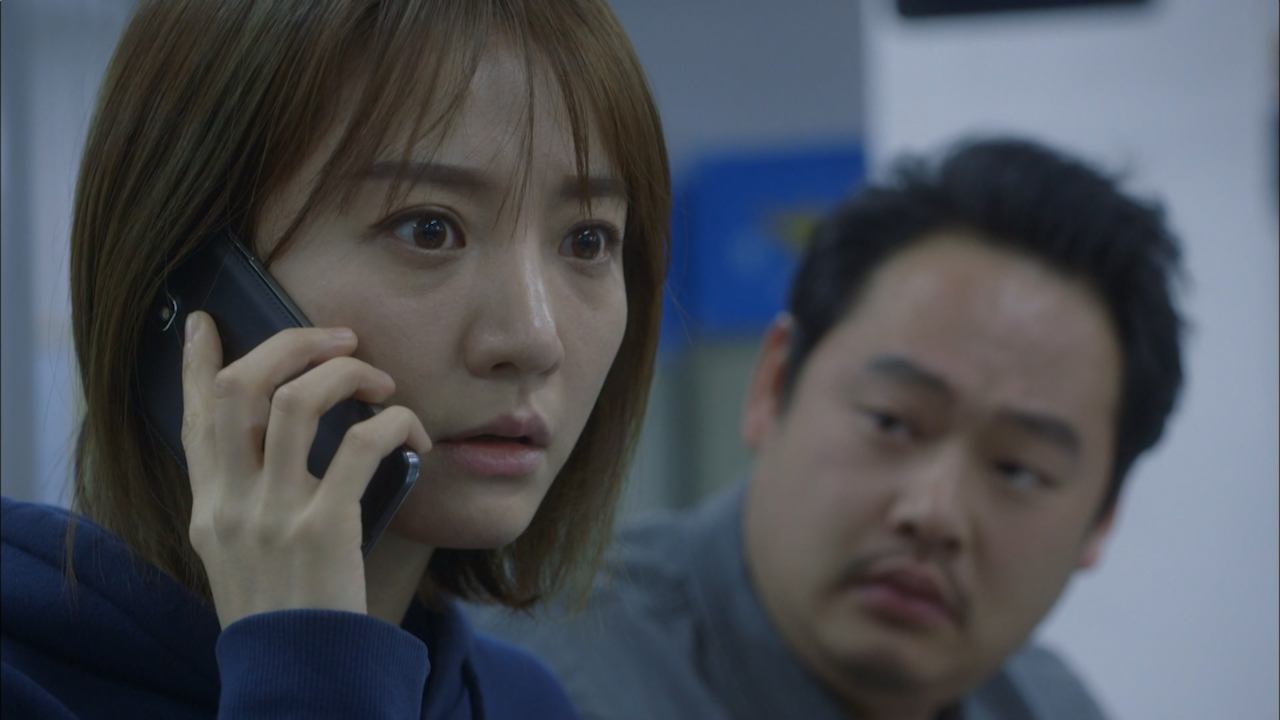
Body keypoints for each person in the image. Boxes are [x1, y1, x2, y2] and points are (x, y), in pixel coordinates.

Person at [0, 0, 670, 717]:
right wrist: (308, 661)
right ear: (192, 275)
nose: (535, 339)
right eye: (429, 228)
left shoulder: (522, 701)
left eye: (588, 241)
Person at [476, 138, 1185, 719]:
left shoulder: (1049, 704)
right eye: (893, 422)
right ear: (774, 384)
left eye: (1018, 469)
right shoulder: (528, 684)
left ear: (1102, 520)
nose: (933, 513)